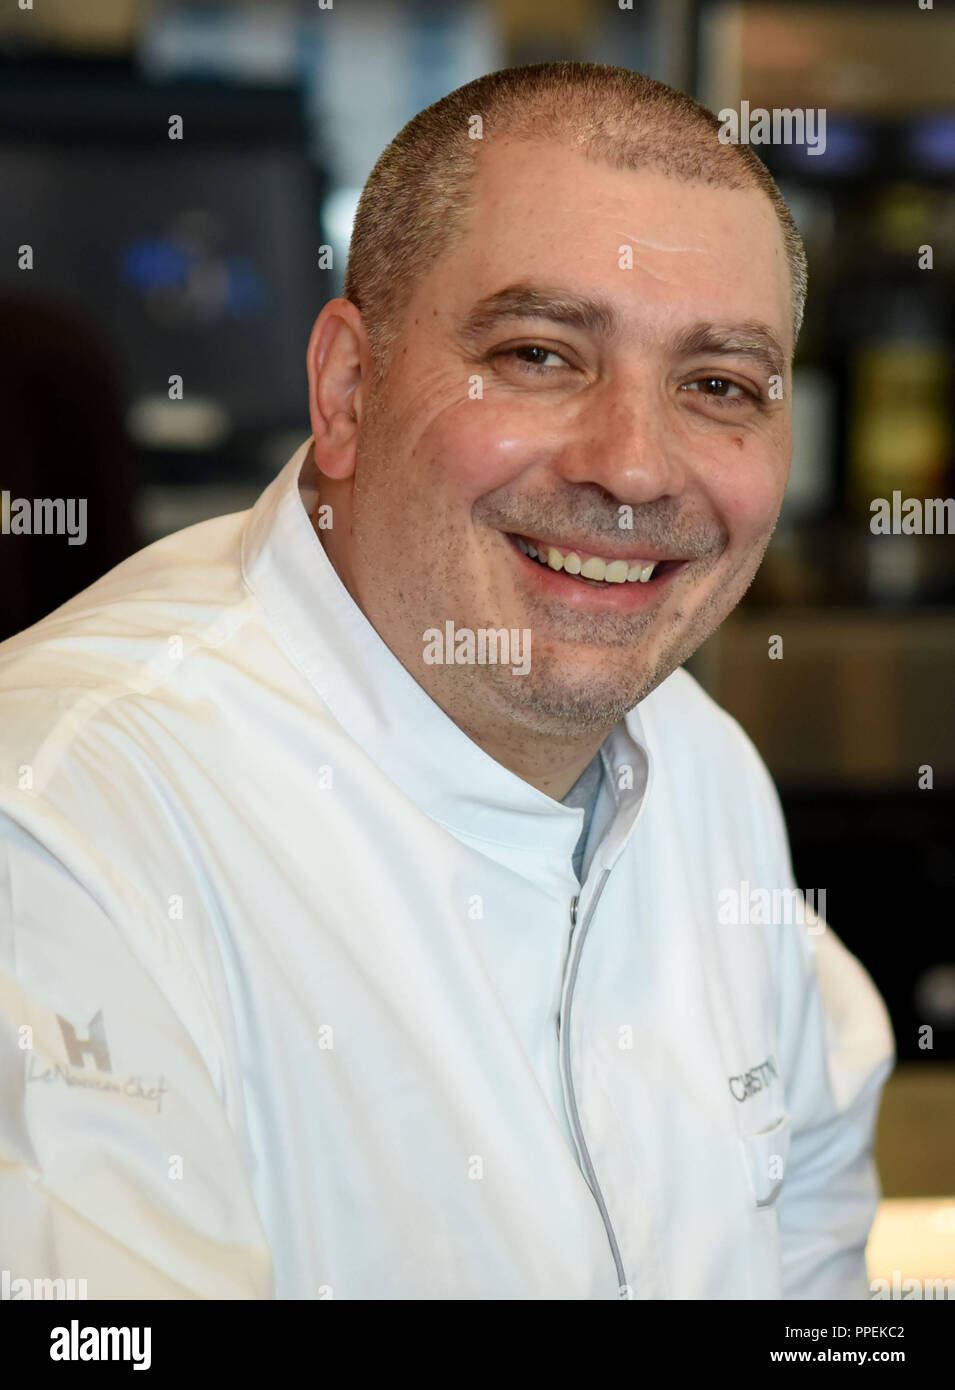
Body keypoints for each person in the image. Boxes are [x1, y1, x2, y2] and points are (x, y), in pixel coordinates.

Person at [0, 62, 893, 1300]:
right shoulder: (63, 826)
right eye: (539, 353)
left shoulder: (697, 762)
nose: (634, 468)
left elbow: (808, 1254)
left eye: (718, 385)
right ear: (348, 389)